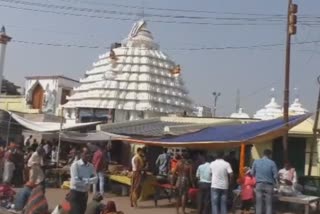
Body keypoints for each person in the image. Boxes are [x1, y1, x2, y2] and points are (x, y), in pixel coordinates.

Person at [69, 147, 97, 214]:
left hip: (84, 194)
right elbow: (75, 182)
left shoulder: (91, 166)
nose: (88, 155)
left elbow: (95, 179)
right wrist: (89, 181)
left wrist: (83, 179)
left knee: (82, 212)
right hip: (75, 193)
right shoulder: (75, 165)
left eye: (89, 154)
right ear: (81, 154)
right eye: (86, 153)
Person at [252, 149, 278, 214]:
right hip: (269, 185)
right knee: (268, 204)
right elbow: (275, 176)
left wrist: (258, 175)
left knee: (258, 203)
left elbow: (252, 173)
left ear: (263, 154)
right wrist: (277, 183)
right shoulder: (272, 163)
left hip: (259, 184)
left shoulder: (256, 162)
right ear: (270, 155)